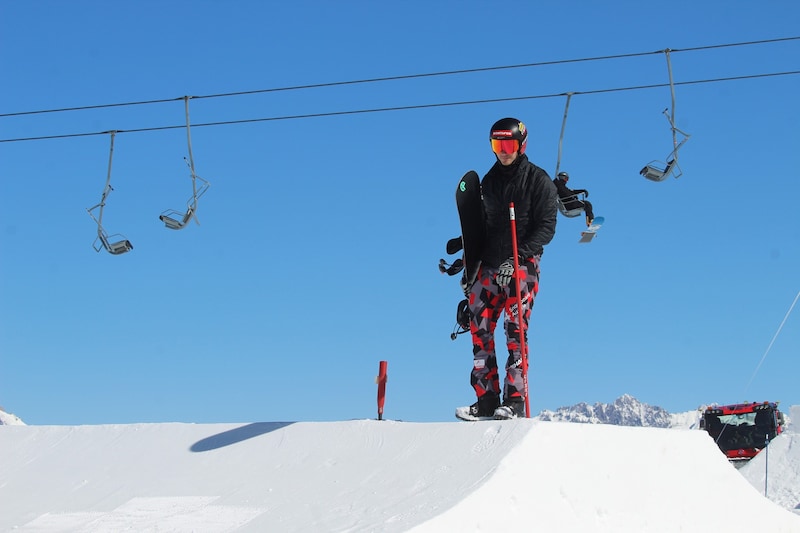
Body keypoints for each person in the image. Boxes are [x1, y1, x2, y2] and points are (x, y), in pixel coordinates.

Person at [459, 117, 558, 420]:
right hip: (489, 266)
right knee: (479, 328)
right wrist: (467, 260)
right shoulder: (489, 182)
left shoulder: (538, 181)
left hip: (521, 265)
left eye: (508, 145)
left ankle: (514, 400)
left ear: (521, 145)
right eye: (496, 145)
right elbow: (482, 226)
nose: (502, 152)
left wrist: (518, 259)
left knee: (515, 330)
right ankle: (486, 398)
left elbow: (547, 228)